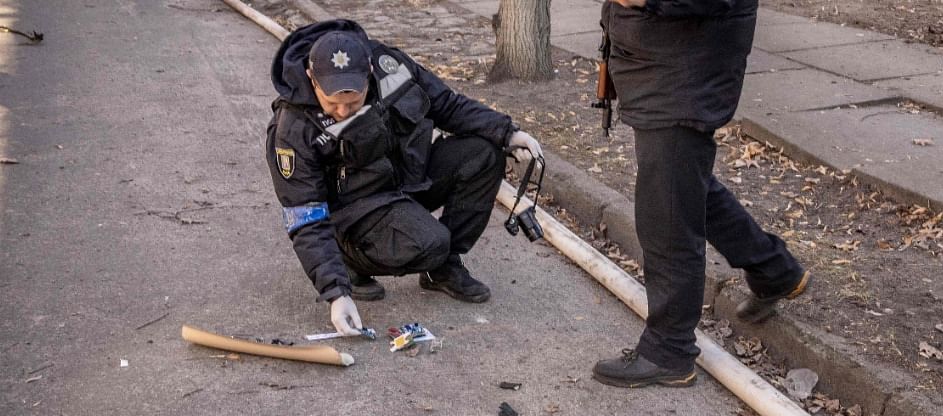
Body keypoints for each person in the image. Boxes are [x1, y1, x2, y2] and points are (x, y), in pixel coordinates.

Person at [266, 20, 542, 336]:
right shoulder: (291, 129)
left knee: (484, 153)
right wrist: (335, 293)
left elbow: (446, 104)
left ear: (369, 69)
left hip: (406, 180)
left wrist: (508, 132)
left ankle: (442, 269)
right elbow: (306, 215)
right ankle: (349, 261)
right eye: (333, 103)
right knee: (431, 241)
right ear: (311, 78)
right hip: (358, 211)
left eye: (353, 101)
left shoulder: (389, 65)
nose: (343, 111)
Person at [590, 0, 810, 388]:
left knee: (668, 217)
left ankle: (669, 351)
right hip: (665, 67)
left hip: (682, 73)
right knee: (682, 189)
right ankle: (773, 269)